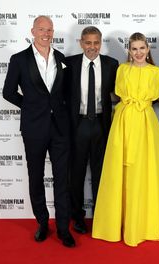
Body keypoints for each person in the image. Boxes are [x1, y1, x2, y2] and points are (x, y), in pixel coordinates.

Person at [92, 32, 159, 247]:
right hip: (123, 122)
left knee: (145, 171)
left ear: (148, 50)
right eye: (134, 49)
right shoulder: (122, 70)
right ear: (129, 51)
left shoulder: (156, 72)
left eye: (142, 48)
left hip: (146, 125)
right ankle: (117, 222)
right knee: (121, 172)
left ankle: (143, 222)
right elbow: (114, 96)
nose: (138, 52)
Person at [2, 15, 75, 247]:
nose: (46, 33)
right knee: (36, 176)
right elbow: (8, 92)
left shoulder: (62, 59)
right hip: (33, 127)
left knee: (62, 179)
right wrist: (32, 107)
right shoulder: (19, 59)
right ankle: (42, 223)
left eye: (50, 29)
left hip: (60, 128)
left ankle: (63, 228)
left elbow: (65, 93)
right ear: (33, 31)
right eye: (42, 29)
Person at [64, 26, 118, 234]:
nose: (92, 47)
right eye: (88, 42)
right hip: (77, 124)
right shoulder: (69, 64)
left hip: (102, 125)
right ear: (81, 43)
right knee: (75, 174)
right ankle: (77, 217)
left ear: (100, 43)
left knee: (101, 174)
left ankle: (100, 216)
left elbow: (118, 93)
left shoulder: (111, 64)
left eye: (96, 43)